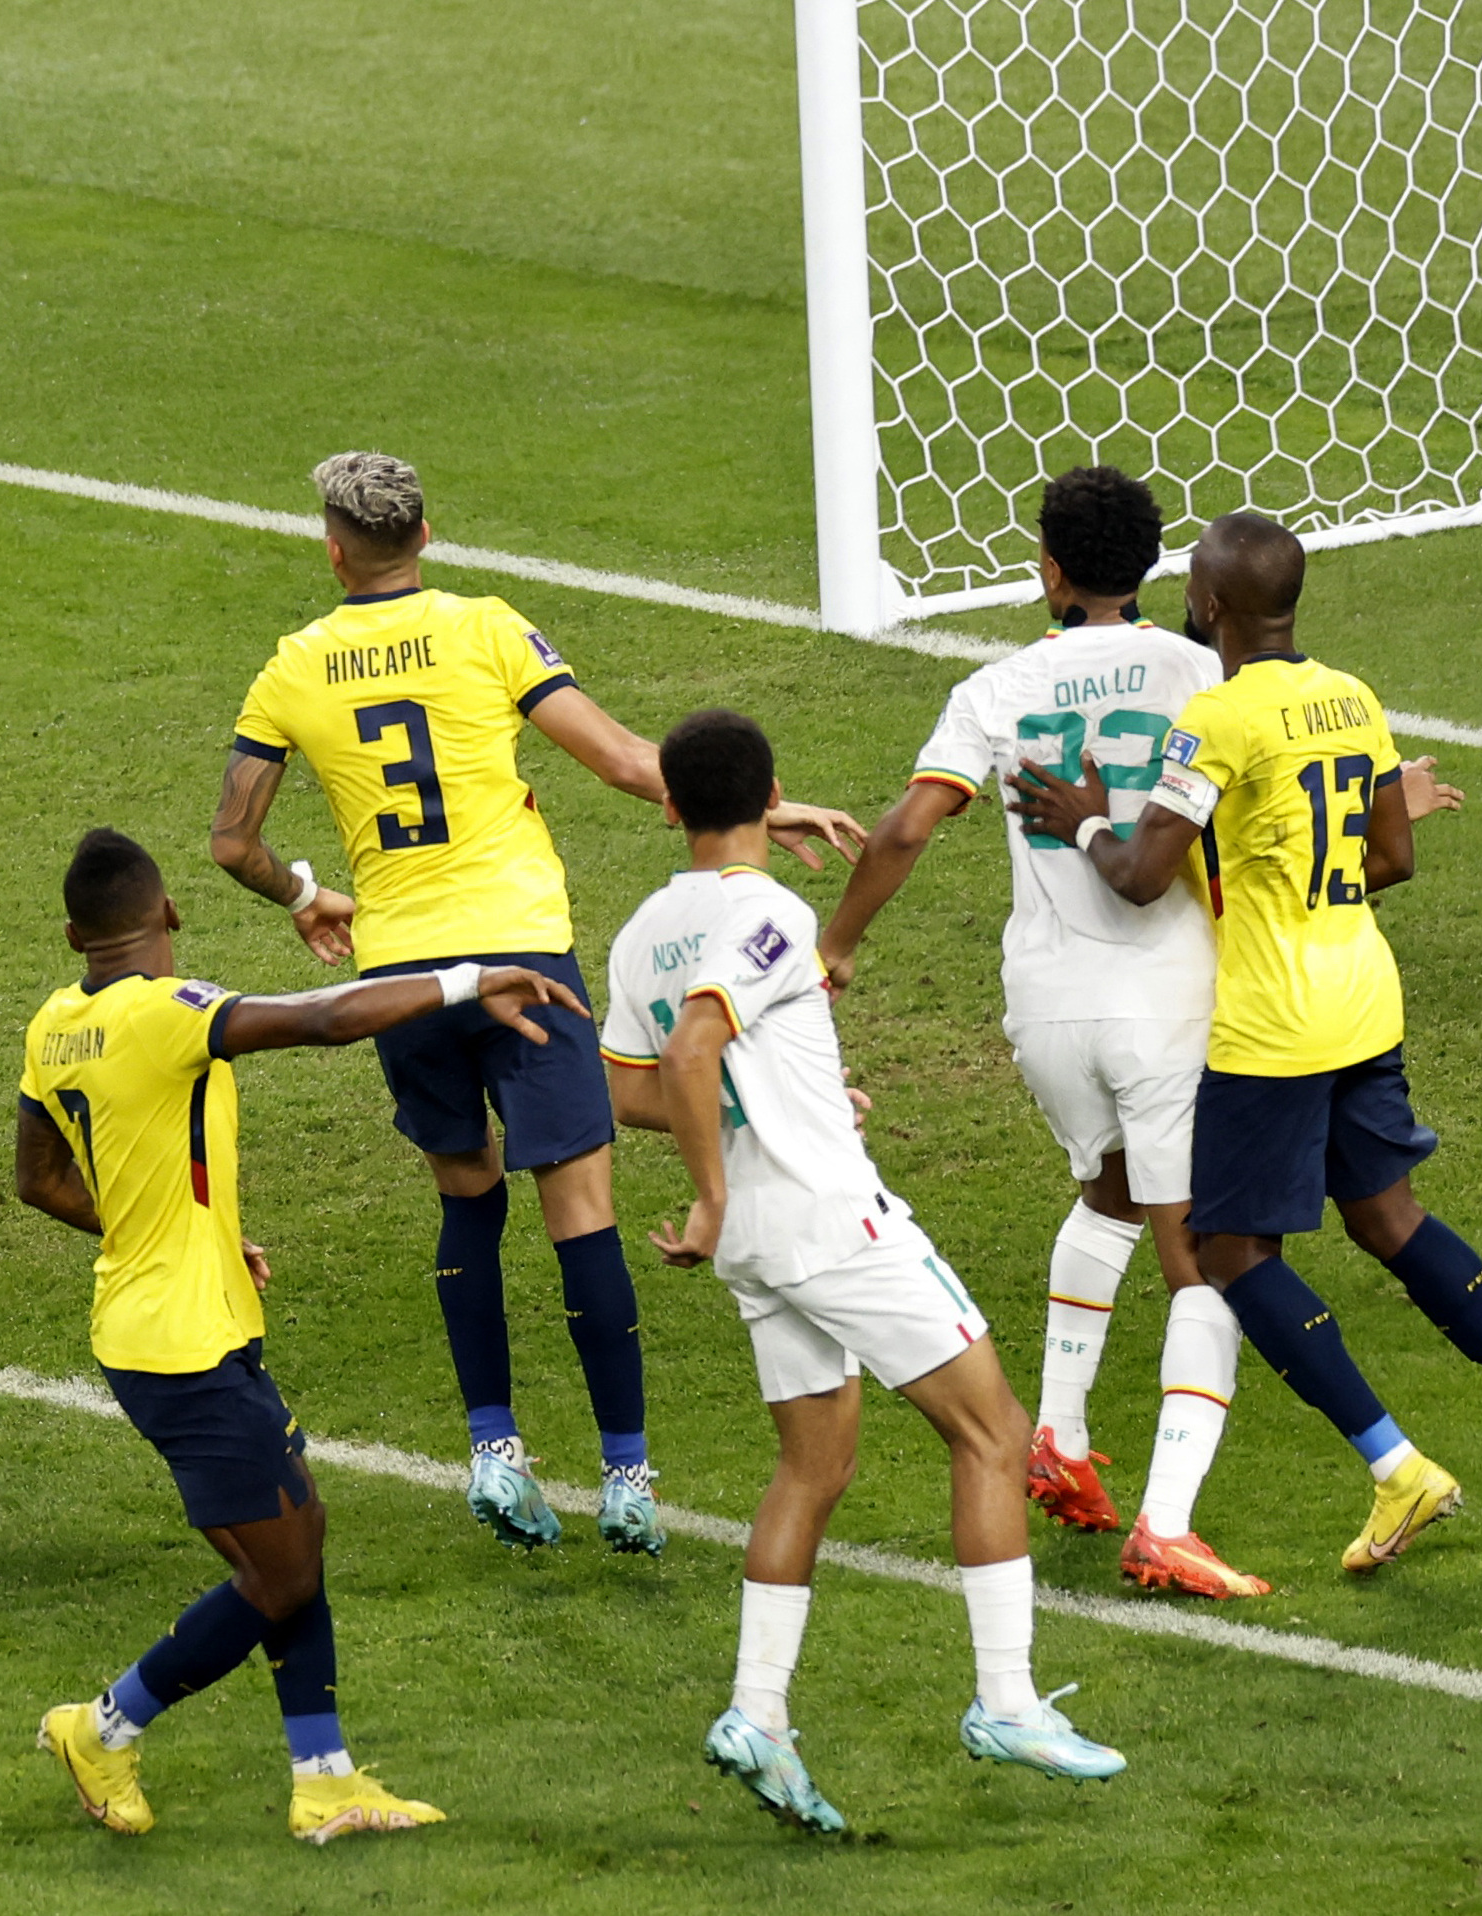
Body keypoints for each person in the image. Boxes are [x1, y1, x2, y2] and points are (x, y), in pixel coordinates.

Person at [207, 452, 865, 1556]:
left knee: (466, 1199)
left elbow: (232, 842)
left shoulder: (293, 668)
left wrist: (308, 893)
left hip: (401, 974)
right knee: (582, 1212)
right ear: (427, 534)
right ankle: (625, 1477)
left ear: (332, 549)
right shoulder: (486, 627)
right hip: (523, 953)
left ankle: (494, 1450)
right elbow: (617, 761)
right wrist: (760, 806)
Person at [822, 466, 1392, 1598]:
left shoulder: (996, 688)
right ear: (1161, 571)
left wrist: (838, 942)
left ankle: (1061, 1441)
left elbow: (904, 826)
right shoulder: (1203, 670)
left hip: (1044, 1011)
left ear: (1047, 567)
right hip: (1170, 1006)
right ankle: (1166, 1524)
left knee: (1113, 1195)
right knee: (1208, 1264)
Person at [1012, 512, 1482, 1574]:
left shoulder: (1218, 716)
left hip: (1273, 1027)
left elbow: (1143, 874)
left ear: (1207, 604)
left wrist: (1087, 820)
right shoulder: (1353, 694)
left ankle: (1396, 1467)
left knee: (1226, 1254)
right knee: (1388, 1215)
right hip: (1361, 995)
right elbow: (1393, 854)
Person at [608, 709, 1125, 1835]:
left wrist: (775, 1114)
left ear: (666, 805)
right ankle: (1005, 1700)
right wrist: (708, 1192)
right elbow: (697, 1049)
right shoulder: (771, 911)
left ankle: (758, 1712)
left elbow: (632, 1089)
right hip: (826, 1224)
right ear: (771, 789)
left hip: (758, 1239)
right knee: (992, 1428)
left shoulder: (640, 930)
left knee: (813, 1468)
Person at [21, 828, 507, 1845]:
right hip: (183, 1347)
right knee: (279, 1571)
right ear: (170, 916)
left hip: (150, 1321)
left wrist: (177, 1225)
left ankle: (322, 1777)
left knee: (298, 1529)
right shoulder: (167, 1012)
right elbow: (326, 1017)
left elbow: (40, 1179)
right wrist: (462, 980)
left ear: (74, 933)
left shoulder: (53, 1024)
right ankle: (103, 1725)